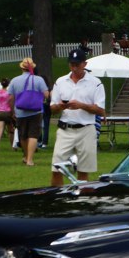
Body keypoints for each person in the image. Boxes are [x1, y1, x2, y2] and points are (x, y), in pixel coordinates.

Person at [50, 48, 107, 186]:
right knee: (56, 168)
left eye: (77, 64)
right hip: (65, 129)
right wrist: (60, 106)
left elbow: (101, 110)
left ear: (84, 64)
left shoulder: (96, 83)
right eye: (71, 64)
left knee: (83, 170)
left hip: (86, 130)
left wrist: (81, 105)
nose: (74, 68)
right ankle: (56, 199)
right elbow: (52, 109)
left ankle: (82, 201)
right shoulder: (61, 81)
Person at [9, 58, 49, 166]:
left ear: (21, 67)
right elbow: (46, 94)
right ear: (33, 67)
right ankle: (30, 160)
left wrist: (12, 111)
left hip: (20, 112)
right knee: (33, 135)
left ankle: (26, 156)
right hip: (36, 111)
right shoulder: (39, 79)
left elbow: (10, 98)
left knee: (23, 135)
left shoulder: (14, 80)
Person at [0, 77, 13, 150]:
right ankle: (13, 146)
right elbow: (11, 102)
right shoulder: (9, 93)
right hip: (7, 112)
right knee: (11, 130)